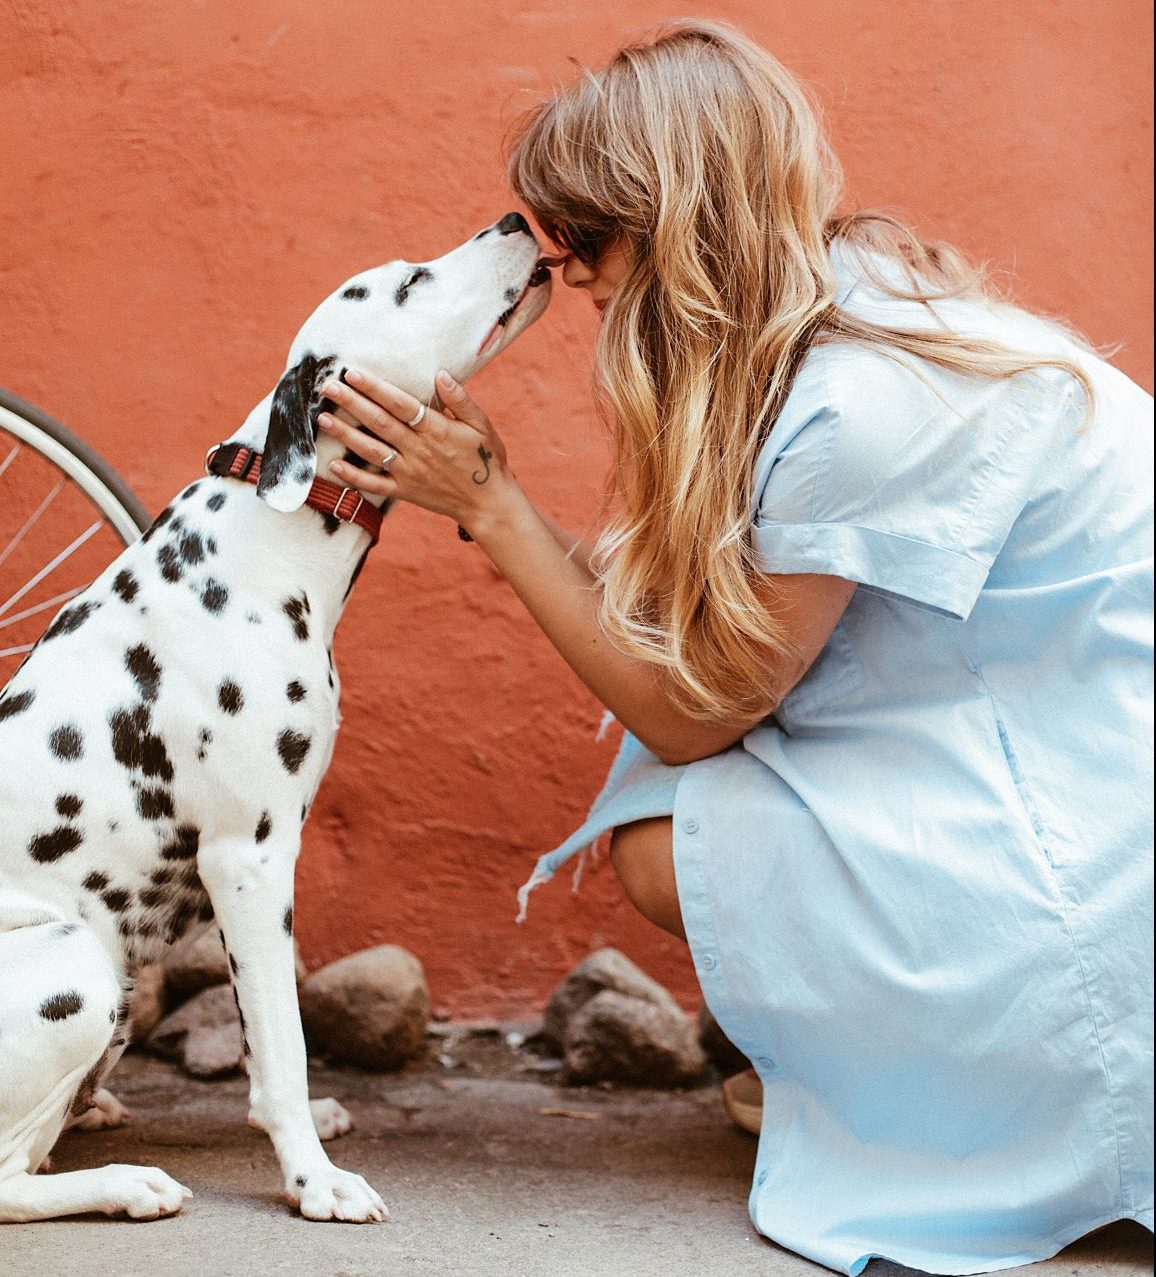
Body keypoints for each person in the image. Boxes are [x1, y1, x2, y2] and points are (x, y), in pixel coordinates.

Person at [314, 20, 1153, 1275]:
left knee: (672, 828)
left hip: (1092, 812)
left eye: (588, 239)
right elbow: (690, 611)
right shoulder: (836, 306)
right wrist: (496, 497)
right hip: (1035, 732)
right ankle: (883, 1066)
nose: (569, 272)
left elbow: (692, 708)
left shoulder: (858, 402)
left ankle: (971, 1089)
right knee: (689, 793)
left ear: (678, 219)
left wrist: (489, 505)